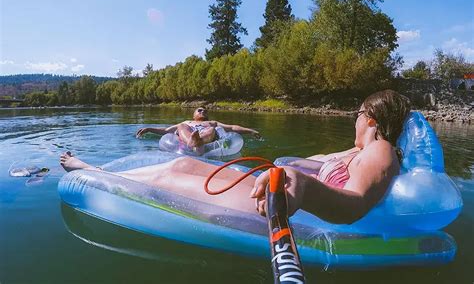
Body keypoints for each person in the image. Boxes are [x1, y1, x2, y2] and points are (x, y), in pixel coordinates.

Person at [60, 90, 411, 224]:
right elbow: (314, 162)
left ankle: (90, 171)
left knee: (169, 181)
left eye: (357, 113)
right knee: (182, 163)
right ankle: (99, 170)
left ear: (370, 119)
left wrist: (302, 185)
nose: (354, 119)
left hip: (278, 202)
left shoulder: (381, 150)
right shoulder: (359, 150)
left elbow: (354, 205)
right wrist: (290, 166)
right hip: (272, 182)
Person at [135, 107, 261, 148]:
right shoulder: (187, 122)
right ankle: (192, 141)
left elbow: (232, 128)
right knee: (181, 126)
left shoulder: (212, 122)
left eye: (204, 111)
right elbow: (166, 131)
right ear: (193, 115)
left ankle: (198, 140)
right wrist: (149, 129)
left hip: (205, 136)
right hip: (189, 136)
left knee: (211, 129)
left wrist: (250, 131)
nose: (202, 111)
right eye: (199, 110)